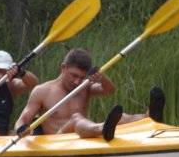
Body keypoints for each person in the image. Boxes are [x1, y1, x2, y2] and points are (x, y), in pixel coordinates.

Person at [15, 48, 165, 142]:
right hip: (58, 140)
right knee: (76, 118)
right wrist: (22, 129)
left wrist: (102, 77)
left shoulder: (84, 87)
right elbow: (22, 120)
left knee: (123, 117)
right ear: (63, 68)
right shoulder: (42, 91)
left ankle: (149, 117)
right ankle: (103, 128)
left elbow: (109, 91)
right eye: (74, 75)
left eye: (82, 77)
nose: (77, 81)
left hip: (84, 136)